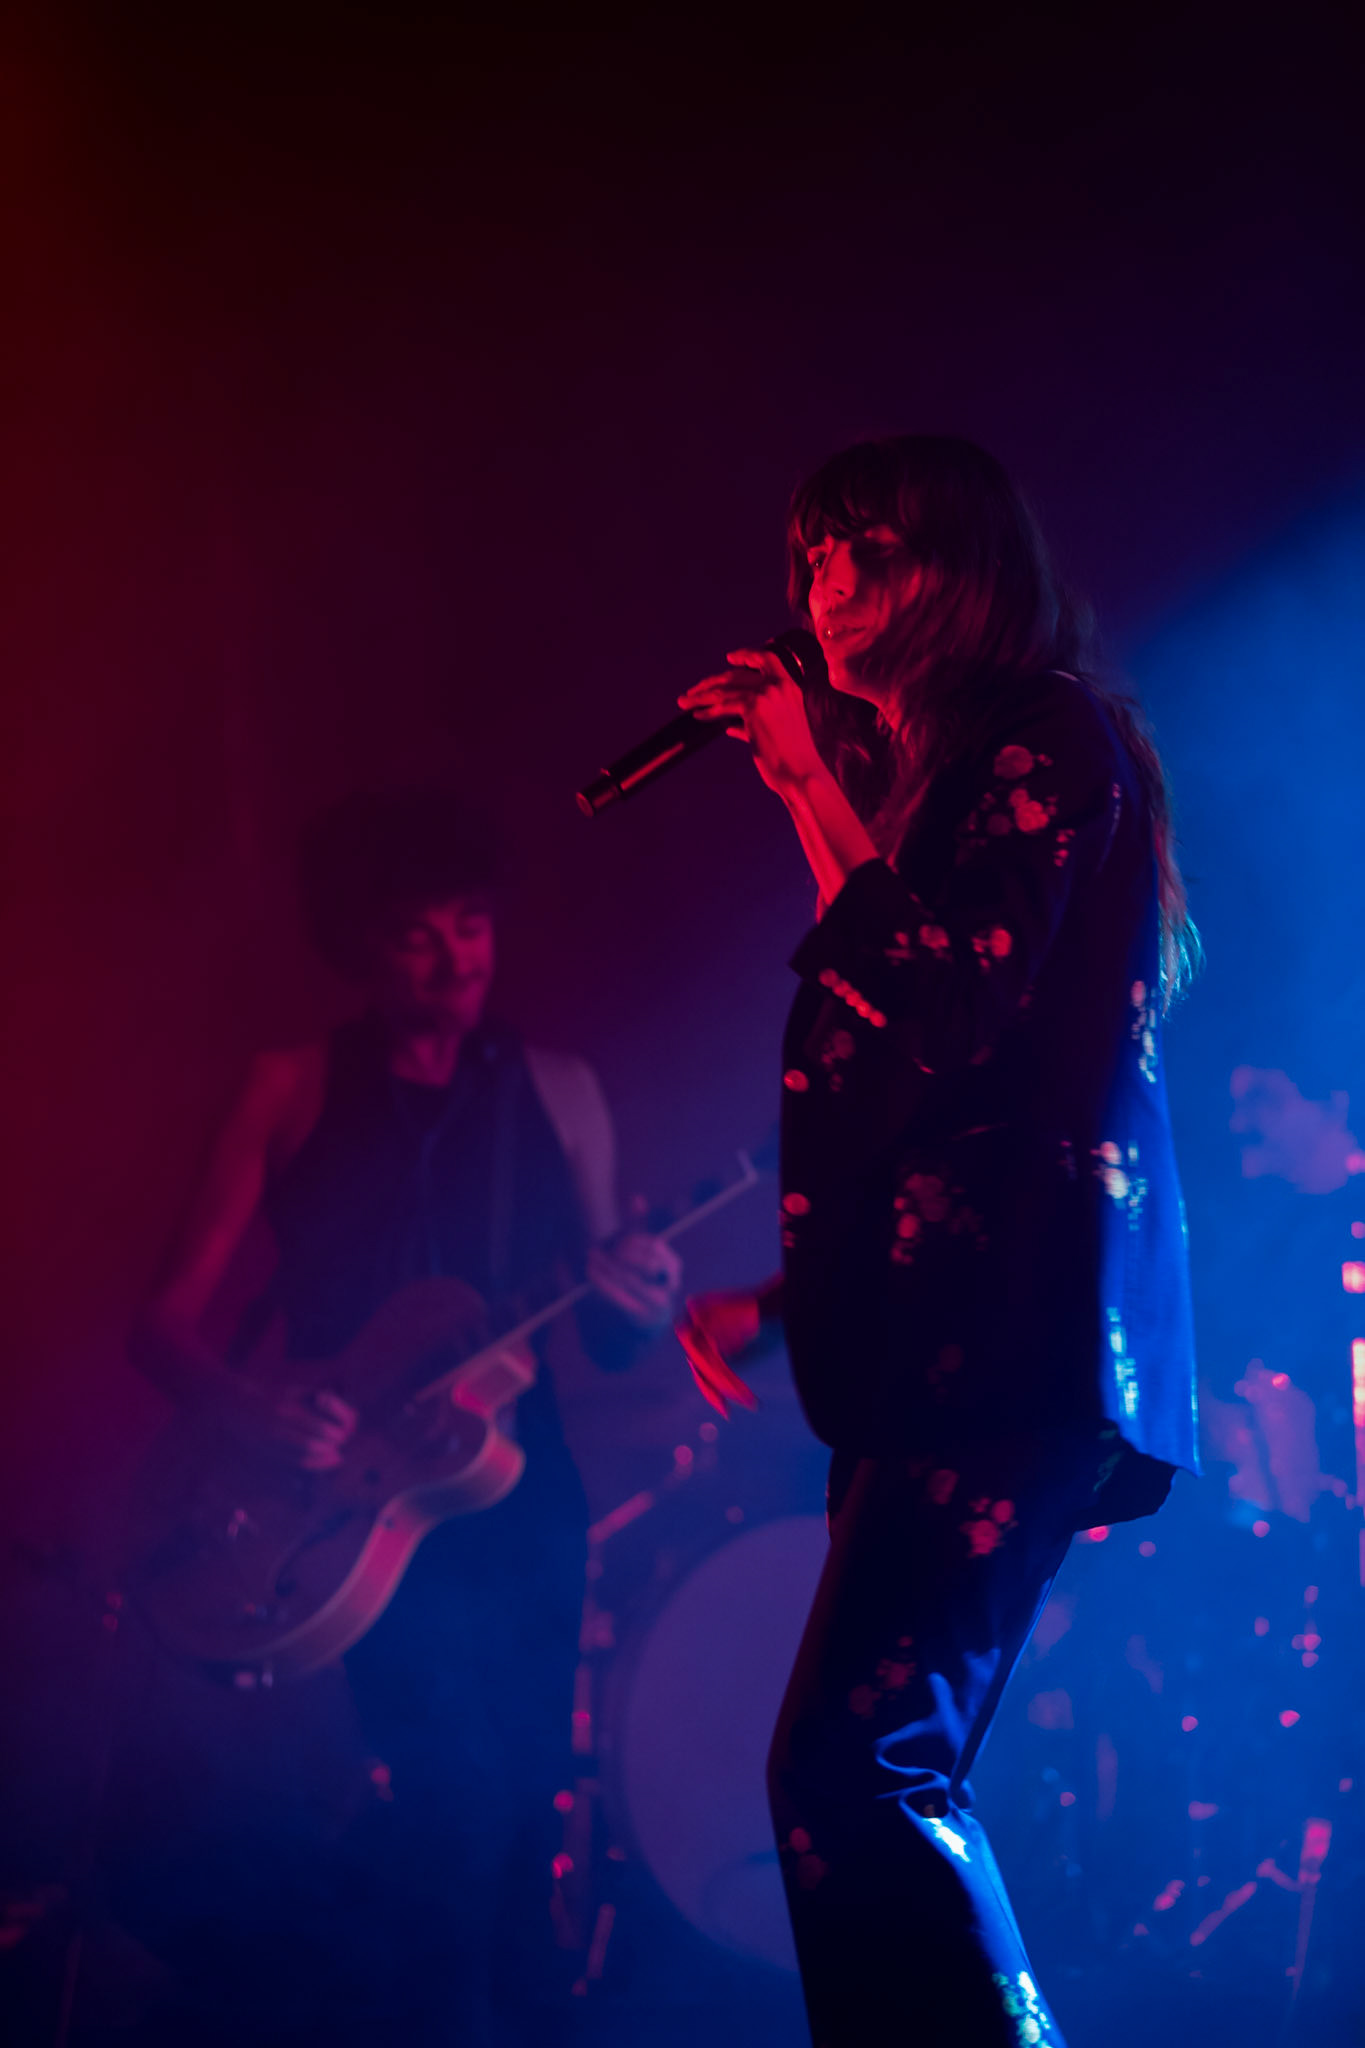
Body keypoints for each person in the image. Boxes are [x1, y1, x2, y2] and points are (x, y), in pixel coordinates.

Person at [675, 437, 1199, 2047]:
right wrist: (784, 1296)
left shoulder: (1049, 735)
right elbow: (944, 1080)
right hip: (946, 1334)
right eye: (813, 561)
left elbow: (941, 996)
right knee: (850, 1771)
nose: (823, 593)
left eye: (865, 555)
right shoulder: (946, 788)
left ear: (959, 574)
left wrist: (803, 780)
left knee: (862, 1758)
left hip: (1019, 1338)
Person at [128, 788, 681, 2047]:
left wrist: (644, 1298)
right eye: (416, 934)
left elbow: (608, 1328)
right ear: (358, 946)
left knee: (531, 1801)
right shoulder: (287, 1087)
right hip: (348, 1507)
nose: (456, 957)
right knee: (450, 1800)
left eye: (473, 924)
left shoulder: (561, 1088)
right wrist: (251, 1404)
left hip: (520, 1500)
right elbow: (159, 1324)